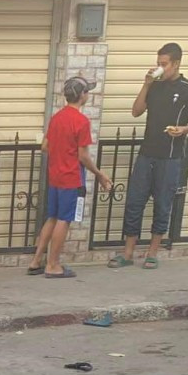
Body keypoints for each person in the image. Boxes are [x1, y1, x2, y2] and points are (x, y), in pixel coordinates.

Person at [113, 42, 188, 270]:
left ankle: (153, 252)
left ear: (176, 63)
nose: (160, 67)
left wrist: (182, 130)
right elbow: (136, 111)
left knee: (162, 204)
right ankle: (128, 252)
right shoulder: (155, 85)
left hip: (170, 156)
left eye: (164, 64)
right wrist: (146, 84)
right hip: (147, 153)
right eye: (158, 63)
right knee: (134, 202)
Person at [28, 77, 112, 279]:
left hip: (55, 176)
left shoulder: (57, 117)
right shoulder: (81, 121)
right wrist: (100, 174)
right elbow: (83, 155)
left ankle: (36, 261)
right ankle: (53, 264)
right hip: (71, 177)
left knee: (53, 217)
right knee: (64, 220)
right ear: (82, 95)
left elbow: (45, 146)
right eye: (87, 92)